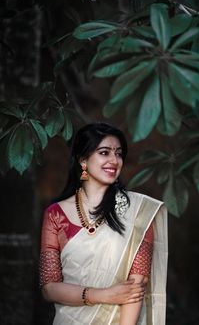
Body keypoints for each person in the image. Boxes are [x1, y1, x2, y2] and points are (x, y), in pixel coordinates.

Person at [39, 122, 168, 325]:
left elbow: (136, 286)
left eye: (118, 153)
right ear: (83, 160)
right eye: (104, 152)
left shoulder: (139, 213)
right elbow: (49, 288)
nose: (114, 160)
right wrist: (103, 295)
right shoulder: (55, 214)